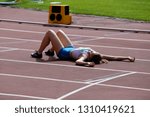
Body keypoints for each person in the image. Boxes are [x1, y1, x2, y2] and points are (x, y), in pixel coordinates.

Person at [31, 29, 135, 67]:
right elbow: (113, 57)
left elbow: (78, 62)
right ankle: (50, 51)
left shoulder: (84, 56)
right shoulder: (95, 54)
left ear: (89, 57)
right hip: (70, 47)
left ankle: (39, 53)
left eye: (91, 53)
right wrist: (127, 57)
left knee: (50, 32)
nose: (90, 51)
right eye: (92, 51)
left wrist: (87, 63)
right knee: (59, 32)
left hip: (63, 52)